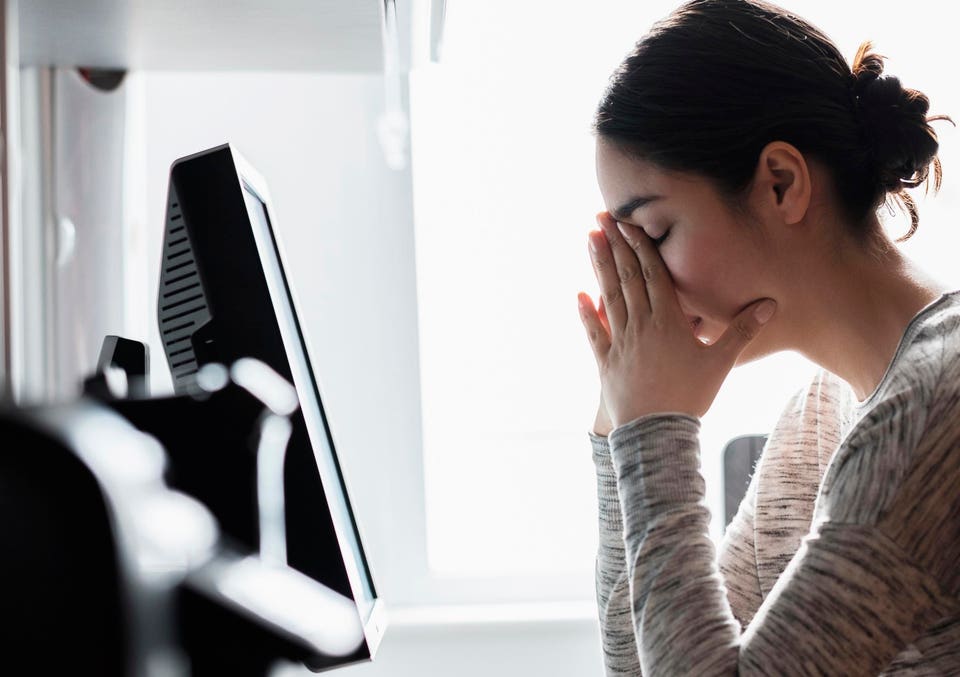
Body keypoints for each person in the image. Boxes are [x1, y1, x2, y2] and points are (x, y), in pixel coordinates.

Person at [576, 0, 960, 674]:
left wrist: (655, 428)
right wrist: (620, 423)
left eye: (656, 234)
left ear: (781, 184)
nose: (643, 284)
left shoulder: (934, 409)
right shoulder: (818, 418)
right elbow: (640, 663)